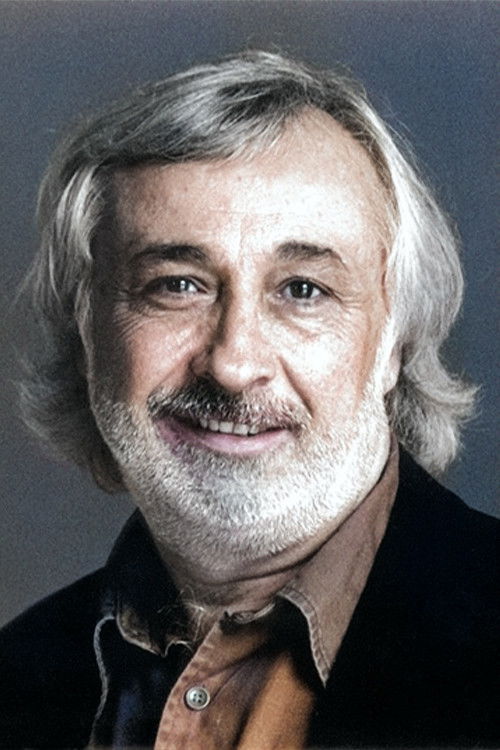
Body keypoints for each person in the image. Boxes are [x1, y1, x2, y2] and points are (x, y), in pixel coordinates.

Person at [0, 50, 498, 749]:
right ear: (87, 331)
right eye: (177, 285)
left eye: (303, 290)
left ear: (394, 342)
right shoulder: (17, 677)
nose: (234, 365)